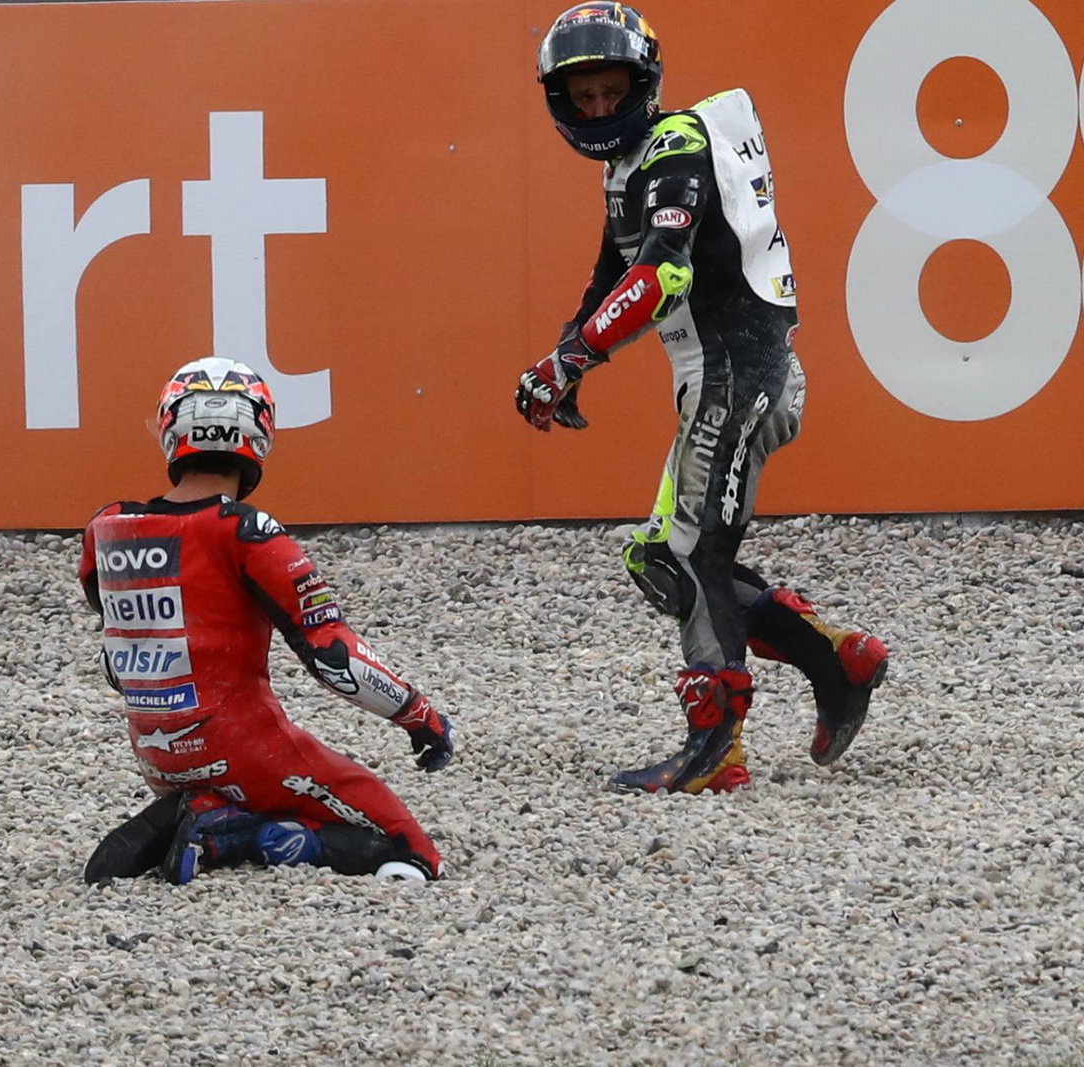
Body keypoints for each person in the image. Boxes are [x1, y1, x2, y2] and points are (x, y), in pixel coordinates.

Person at [516, 2, 889, 795]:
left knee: (690, 553)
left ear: (641, 83)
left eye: (610, 91)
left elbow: (663, 274)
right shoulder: (632, 165)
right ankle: (838, 659)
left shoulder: (674, 147)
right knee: (660, 556)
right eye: (582, 98)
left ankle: (715, 744)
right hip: (721, 375)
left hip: (739, 373)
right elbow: (611, 275)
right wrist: (564, 359)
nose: (597, 109)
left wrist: (573, 358)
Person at [79, 357, 453, 885]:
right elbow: (333, 656)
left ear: (171, 429)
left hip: (158, 759)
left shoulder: (105, 526)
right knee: (414, 857)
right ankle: (236, 836)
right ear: (258, 434)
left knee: (281, 797)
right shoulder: (245, 529)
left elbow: (118, 653)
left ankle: (210, 812)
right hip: (246, 752)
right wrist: (421, 717)